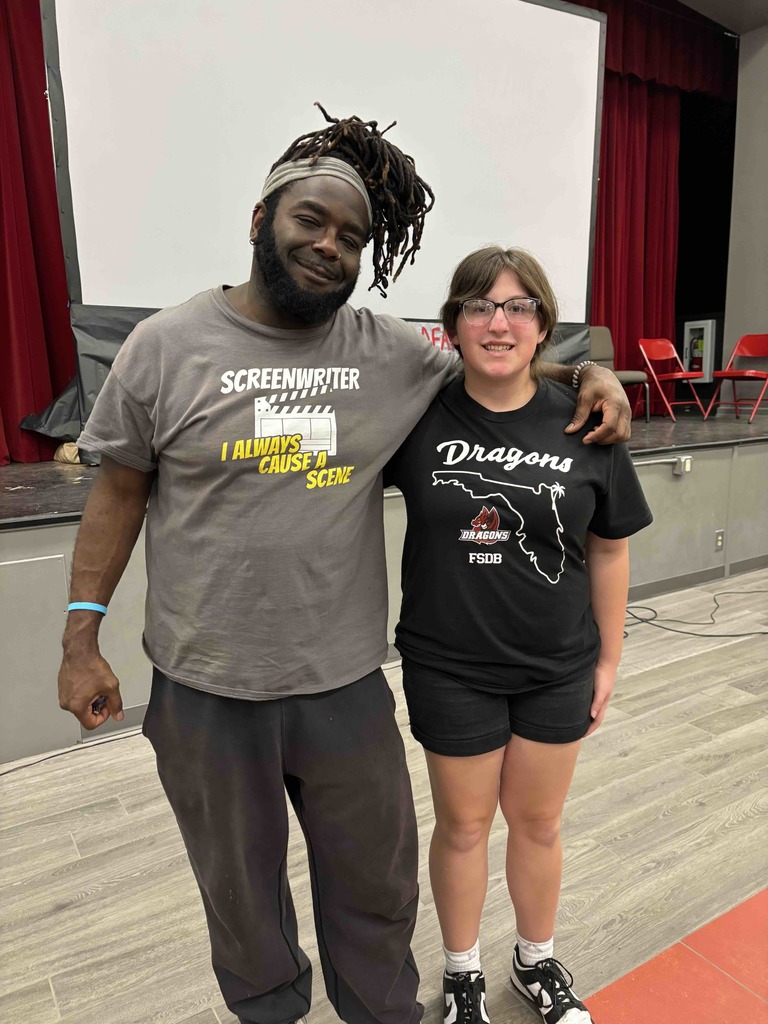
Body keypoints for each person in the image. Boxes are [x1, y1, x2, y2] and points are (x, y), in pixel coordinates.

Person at [57, 106, 632, 1024]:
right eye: (310, 221)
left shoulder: (386, 351)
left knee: (376, 884)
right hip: (206, 688)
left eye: (352, 237)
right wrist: (81, 638)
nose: (330, 245)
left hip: (345, 683)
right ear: (261, 220)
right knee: (239, 894)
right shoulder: (163, 345)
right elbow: (119, 492)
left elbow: (498, 365)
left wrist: (590, 375)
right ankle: (269, 1010)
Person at [386, 246, 652, 1024]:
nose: (498, 323)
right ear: (453, 325)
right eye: (479, 306)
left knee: (538, 824)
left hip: (556, 665)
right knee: (464, 827)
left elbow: (610, 547)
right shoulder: (415, 415)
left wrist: (609, 658)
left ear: (542, 325)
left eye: (518, 307)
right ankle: (463, 976)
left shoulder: (587, 419)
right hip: (449, 666)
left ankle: (535, 962)